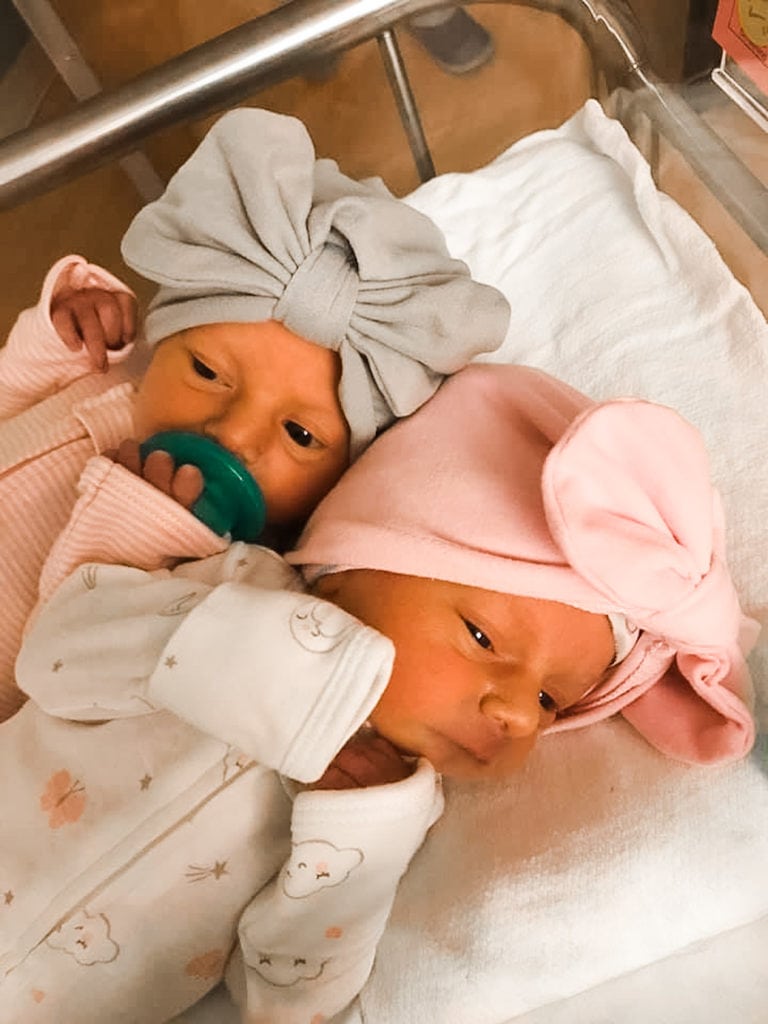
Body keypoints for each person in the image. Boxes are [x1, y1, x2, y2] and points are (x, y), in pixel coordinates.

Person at [0, 362, 756, 1022]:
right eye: (484, 639)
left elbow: (275, 1002)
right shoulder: (232, 588)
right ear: (356, 562)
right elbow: (52, 658)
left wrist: (350, 855)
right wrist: (254, 657)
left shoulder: (395, 809)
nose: (518, 714)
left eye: (552, 703)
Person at [0, 105, 510, 722]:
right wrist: (59, 335)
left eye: (301, 434)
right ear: (164, 340)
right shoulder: (109, 375)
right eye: (207, 372)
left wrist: (142, 529)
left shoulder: (231, 577)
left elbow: (67, 664)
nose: (233, 433)